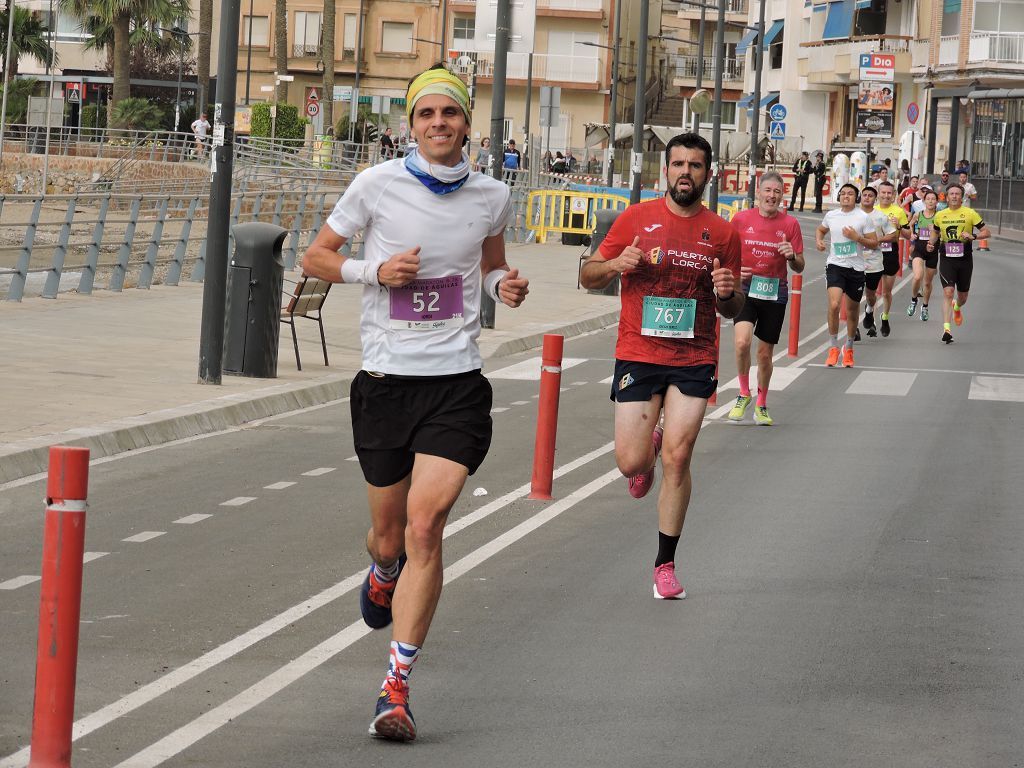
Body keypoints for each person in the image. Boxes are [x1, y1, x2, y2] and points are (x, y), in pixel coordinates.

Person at [301, 64, 530, 742]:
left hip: (457, 383)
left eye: (450, 114)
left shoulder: (493, 195)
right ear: (410, 123)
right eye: (426, 114)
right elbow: (316, 257)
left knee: (427, 525)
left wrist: (502, 289)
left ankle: (395, 686)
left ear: (467, 124)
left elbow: (489, 267)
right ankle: (381, 569)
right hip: (386, 383)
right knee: (391, 534)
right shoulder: (375, 185)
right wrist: (374, 271)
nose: (438, 124)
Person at [579, 132, 743, 599]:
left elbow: (733, 308)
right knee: (631, 461)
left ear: (708, 175)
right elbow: (587, 275)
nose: (685, 172)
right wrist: (614, 266)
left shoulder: (725, 233)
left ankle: (665, 564)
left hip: (694, 356)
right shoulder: (636, 218)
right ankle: (645, 449)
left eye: (695, 165)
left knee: (679, 456)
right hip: (638, 351)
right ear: (665, 171)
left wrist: (729, 293)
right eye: (677, 165)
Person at [727, 171, 804, 426]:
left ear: (782, 196)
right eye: (768, 191)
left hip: (774, 292)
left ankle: (761, 403)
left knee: (764, 355)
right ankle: (743, 393)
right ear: (758, 192)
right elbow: (726, 254)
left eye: (777, 192)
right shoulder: (739, 219)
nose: (772, 196)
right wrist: (737, 271)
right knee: (741, 343)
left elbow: (800, 267)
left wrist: (792, 255)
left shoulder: (790, 224)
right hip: (746, 289)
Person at [815, 184, 879, 368]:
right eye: (843, 193)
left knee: (851, 311)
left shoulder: (863, 217)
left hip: (856, 268)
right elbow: (821, 229)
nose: (846, 196)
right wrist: (819, 241)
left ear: (856, 197)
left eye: (850, 194)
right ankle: (833, 347)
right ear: (839, 196)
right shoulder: (831, 215)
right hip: (835, 265)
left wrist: (856, 237)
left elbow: (874, 243)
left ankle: (849, 348)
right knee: (834, 305)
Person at [930, 183, 991, 344]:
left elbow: (987, 232)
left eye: (958, 194)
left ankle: (957, 307)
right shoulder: (940, 215)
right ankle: (946, 329)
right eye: (952, 194)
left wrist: (974, 237)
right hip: (946, 258)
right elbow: (935, 231)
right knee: (948, 292)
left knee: (962, 296)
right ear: (947, 196)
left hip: (965, 259)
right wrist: (931, 243)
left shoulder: (970, 213)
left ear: (962, 197)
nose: (955, 196)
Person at [874, 180, 911, 337]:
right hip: (872, 252)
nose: (886, 195)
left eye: (889, 193)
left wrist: (900, 226)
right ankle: (872, 320)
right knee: (872, 291)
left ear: (893, 194)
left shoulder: (899, 211)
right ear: (878, 193)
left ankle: (885, 317)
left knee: (887, 292)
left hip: (890, 252)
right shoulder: (871, 210)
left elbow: (909, 235)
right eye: (883, 192)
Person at [857, 185, 895, 340]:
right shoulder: (853, 215)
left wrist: (876, 240)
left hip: (874, 261)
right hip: (855, 261)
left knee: (870, 294)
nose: (867, 197)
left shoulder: (880, 216)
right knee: (854, 296)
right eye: (864, 195)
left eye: (870, 195)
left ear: (875, 198)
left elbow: (892, 235)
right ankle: (854, 328)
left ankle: (869, 309)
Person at [907, 188, 940, 321]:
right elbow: (910, 225)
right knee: (917, 276)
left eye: (933, 199)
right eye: (928, 199)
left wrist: (936, 231)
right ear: (924, 201)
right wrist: (912, 233)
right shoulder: (918, 214)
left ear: (937, 202)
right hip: (919, 249)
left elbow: (943, 234)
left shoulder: (940, 216)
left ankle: (925, 307)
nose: (931, 201)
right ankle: (914, 300)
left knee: (927, 283)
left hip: (933, 250)